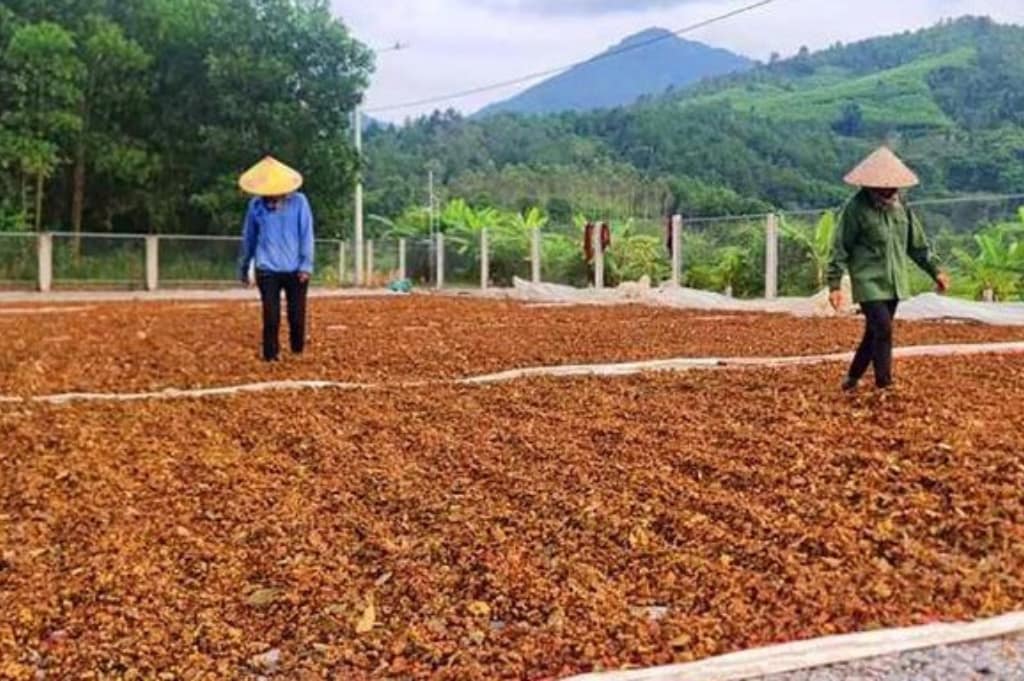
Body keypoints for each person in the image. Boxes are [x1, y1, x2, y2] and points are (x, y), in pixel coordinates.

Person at [827, 146, 950, 391]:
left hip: (894, 280)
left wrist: (935, 271)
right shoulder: (856, 208)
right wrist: (834, 284)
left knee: (873, 333)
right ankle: (885, 384)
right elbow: (840, 247)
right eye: (884, 187)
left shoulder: (901, 206)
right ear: (871, 185)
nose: (890, 191)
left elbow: (917, 246)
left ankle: (851, 379)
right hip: (868, 280)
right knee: (883, 328)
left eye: (894, 186)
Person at [237, 156, 315, 362]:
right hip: (267, 268)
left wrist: (306, 265)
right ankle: (270, 355)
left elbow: (306, 234)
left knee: (296, 315)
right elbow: (249, 238)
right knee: (270, 315)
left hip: (295, 268)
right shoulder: (256, 206)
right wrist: (245, 266)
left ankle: (297, 349)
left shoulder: (299, 203)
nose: (271, 198)